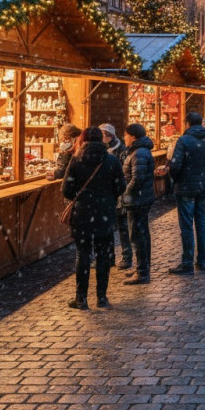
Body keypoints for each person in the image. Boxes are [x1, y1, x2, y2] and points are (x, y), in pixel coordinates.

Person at [62, 126, 126, 309]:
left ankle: (81, 298)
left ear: (83, 139)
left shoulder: (76, 159)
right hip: (104, 212)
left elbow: (66, 189)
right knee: (103, 254)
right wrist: (108, 196)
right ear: (101, 139)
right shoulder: (111, 160)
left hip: (82, 213)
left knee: (82, 254)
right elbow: (121, 186)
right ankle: (102, 297)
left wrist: (81, 196)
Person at [166, 112, 205, 274]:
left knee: (187, 226)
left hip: (185, 187)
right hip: (202, 186)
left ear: (187, 123)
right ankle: (202, 260)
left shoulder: (184, 140)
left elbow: (175, 166)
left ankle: (187, 262)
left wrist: (176, 179)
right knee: (201, 223)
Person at [121, 123, 156, 285]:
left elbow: (137, 179)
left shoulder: (139, 153)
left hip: (137, 200)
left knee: (137, 235)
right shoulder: (140, 151)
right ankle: (142, 267)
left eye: (126, 135)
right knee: (141, 234)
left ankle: (142, 272)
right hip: (142, 198)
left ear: (133, 136)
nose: (124, 138)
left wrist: (126, 194)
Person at [100, 123, 130, 269]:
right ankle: (109, 256)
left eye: (103, 135)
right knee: (108, 228)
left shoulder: (121, 151)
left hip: (118, 193)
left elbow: (124, 173)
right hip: (107, 193)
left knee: (122, 226)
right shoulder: (101, 149)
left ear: (110, 136)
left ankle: (126, 257)